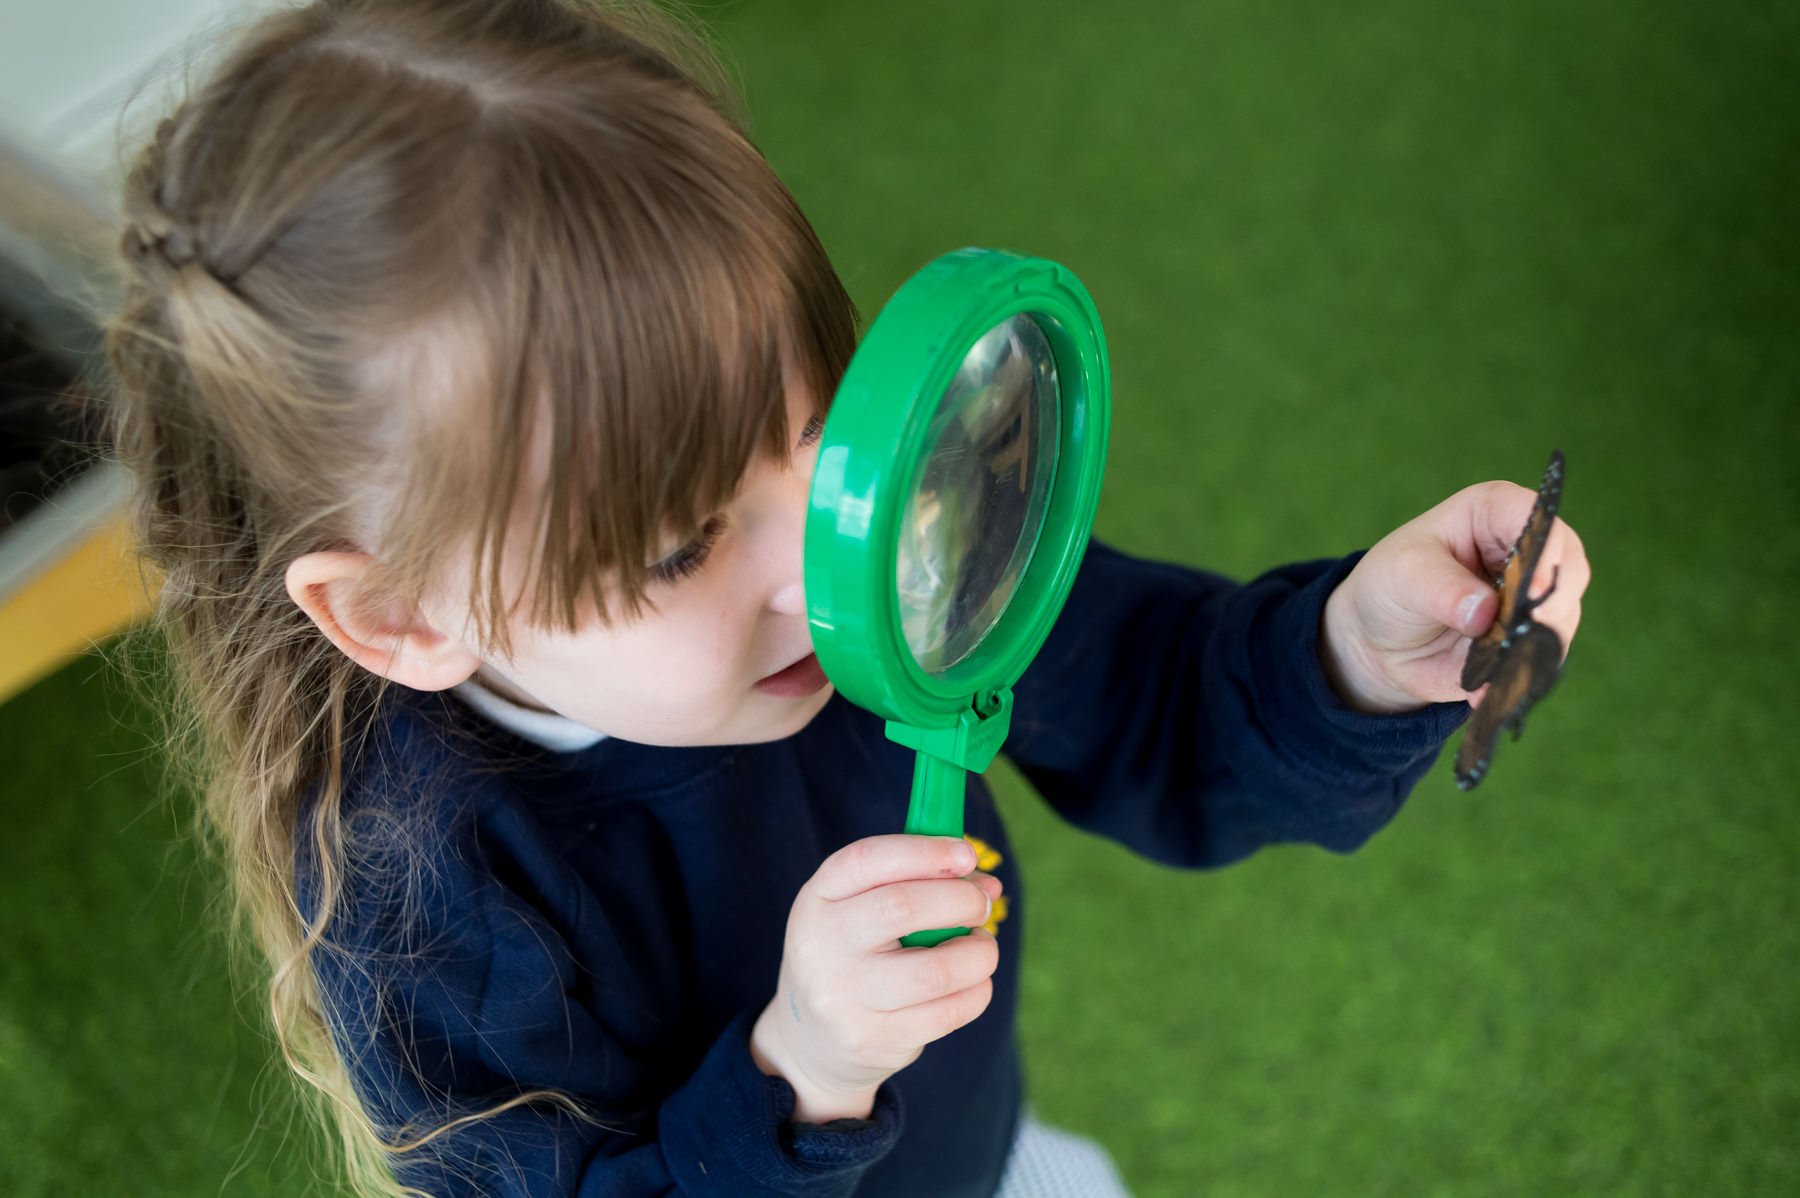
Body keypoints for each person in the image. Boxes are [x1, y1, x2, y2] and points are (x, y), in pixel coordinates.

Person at [103, 1, 1590, 1196]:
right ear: (407, 617)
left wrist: (1356, 651)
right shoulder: (430, 891)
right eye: (681, 550)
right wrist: (798, 1070)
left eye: (814, 441)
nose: (817, 574)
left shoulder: (898, 569)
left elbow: (1160, 698)